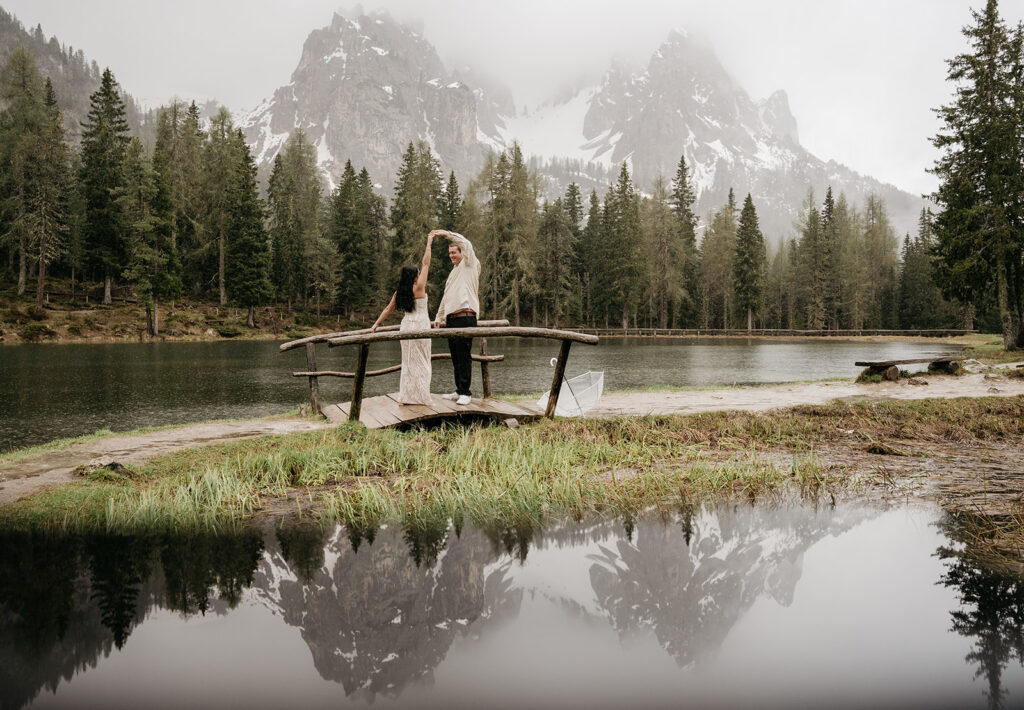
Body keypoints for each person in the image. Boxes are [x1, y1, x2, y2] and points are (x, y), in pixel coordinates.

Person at [370, 233, 433, 404]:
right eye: (418, 273)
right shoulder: (419, 287)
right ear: (414, 276)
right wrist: (429, 242)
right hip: (420, 325)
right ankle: (421, 397)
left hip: (406, 326)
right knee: (423, 362)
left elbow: (388, 309)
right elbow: (426, 263)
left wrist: (376, 324)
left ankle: (407, 396)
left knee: (408, 362)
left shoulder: (400, 292)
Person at [431, 229, 480, 406]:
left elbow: (467, 244)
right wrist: (439, 316)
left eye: (454, 252)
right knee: (455, 356)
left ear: (462, 253)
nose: (451, 256)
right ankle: (459, 390)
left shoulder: (470, 264)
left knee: (464, 355)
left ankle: (466, 393)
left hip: (466, 316)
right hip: (451, 319)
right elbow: (446, 296)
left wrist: (445, 234)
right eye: (449, 253)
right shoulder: (453, 274)